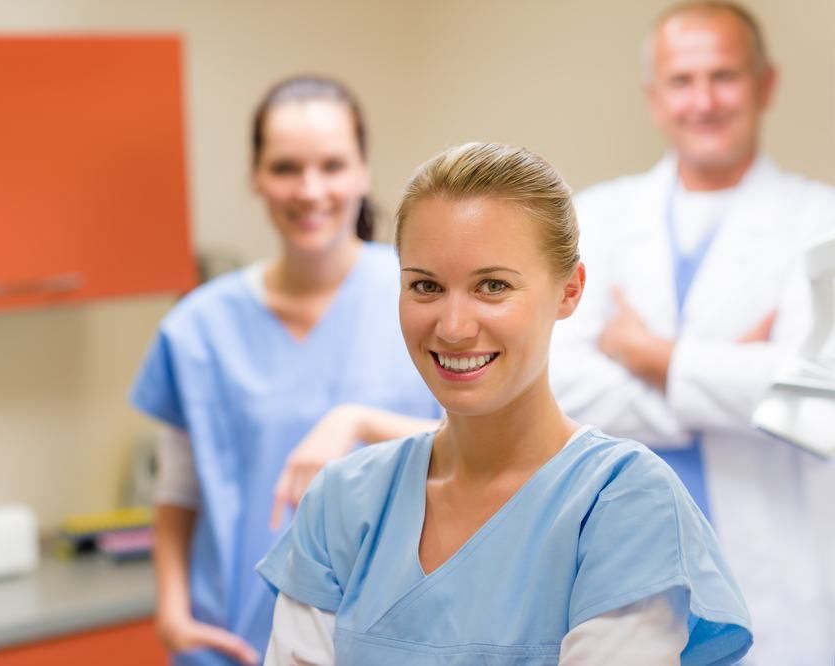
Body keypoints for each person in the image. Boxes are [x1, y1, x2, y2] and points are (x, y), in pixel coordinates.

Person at [258, 142, 753, 665]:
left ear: (570, 291)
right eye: (425, 286)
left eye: (493, 286)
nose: (453, 327)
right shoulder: (342, 504)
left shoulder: (622, 505)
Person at [548, 2, 835, 661]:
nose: (703, 100)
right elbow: (558, 389)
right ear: (655, 97)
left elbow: (816, 404)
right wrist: (732, 377)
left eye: (724, 77)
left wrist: (650, 354)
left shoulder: (821, 225)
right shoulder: (596, 219)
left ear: (766, 85)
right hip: (626, 575)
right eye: (682, 81)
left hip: (777, 587)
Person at [130, 75, 441, 666]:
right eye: (286, 168)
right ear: (255, 176)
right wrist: (171, 612)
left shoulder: (422, 298)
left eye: (332, 165)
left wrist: (359, 421)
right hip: (232, 640)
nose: (311, 189)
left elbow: (485, 455)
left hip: (391, 638)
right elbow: (178, 492)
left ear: (363, 172)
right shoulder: (199, 327)